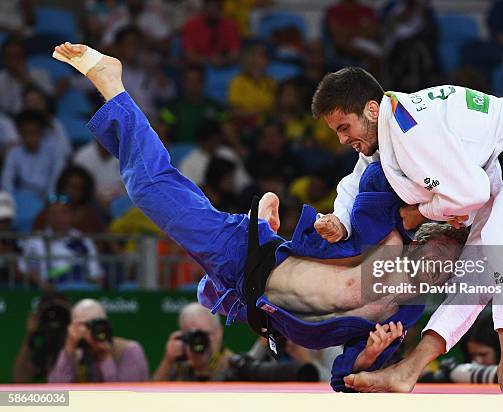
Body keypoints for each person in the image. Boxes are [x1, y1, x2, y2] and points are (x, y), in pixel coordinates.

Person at [52, 42, 468, 391]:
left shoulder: (403, 313)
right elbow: (378, 168)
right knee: (148, 189)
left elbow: (345, 379)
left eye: (445, 270)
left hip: (253, 298)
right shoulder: (387, 229)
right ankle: (112, 83)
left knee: (159, 202)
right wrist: (421, 198)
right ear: (425, 237)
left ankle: (263, 214)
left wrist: (373, 354)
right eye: (441, 254)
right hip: (243, 252)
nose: (438, 268)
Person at [310, 67, 503, 393]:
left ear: (370, 109)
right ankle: (409, 370)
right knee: (472, 275)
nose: (341, 139)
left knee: (502, 241)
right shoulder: (389, 129)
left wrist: (420, 214)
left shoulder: (410, 127)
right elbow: (354, 184)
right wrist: (339, 220)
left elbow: (474, 193)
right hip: (496, 178)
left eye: (343, 127)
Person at [48, 298, 149, 382]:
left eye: (97, 324)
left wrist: (104, 356)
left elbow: (123, 398)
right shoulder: (72, 354)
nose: (91, 330)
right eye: (83, 324)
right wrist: (69, 350)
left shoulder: (129, 350)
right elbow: (56, 395)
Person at [154, 302, 232, 381]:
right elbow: (154, 390)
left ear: (219, 332)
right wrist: (168, 361)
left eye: (203, 334)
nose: (198, 340)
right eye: (193, 336)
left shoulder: (232, 366)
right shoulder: (180, 366)